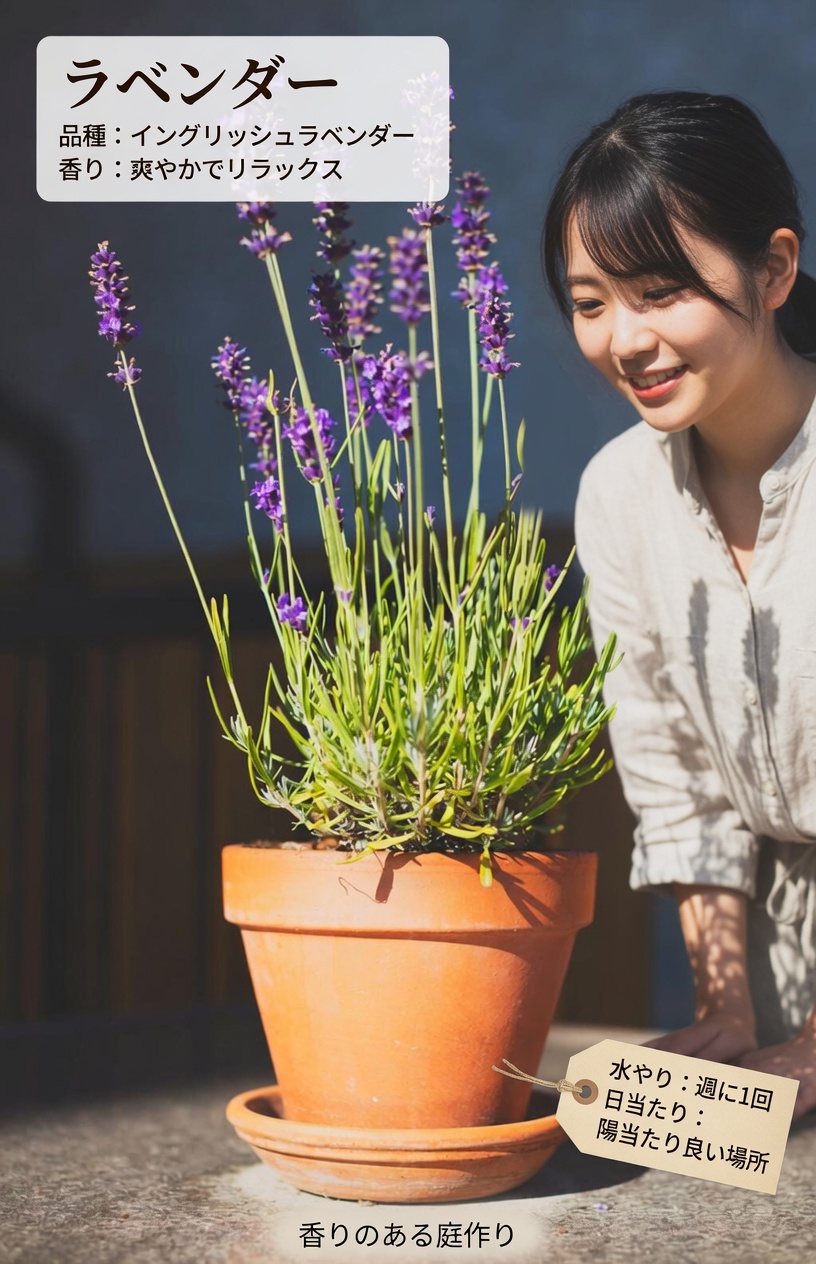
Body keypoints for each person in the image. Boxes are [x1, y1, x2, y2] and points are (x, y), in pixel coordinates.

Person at [542, 90, 816, 1120]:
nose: (626, 339)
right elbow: (670, 767)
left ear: (775, 268)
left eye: (661, 291)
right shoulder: (618, 493)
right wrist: (730, 1013)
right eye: (591, 300)